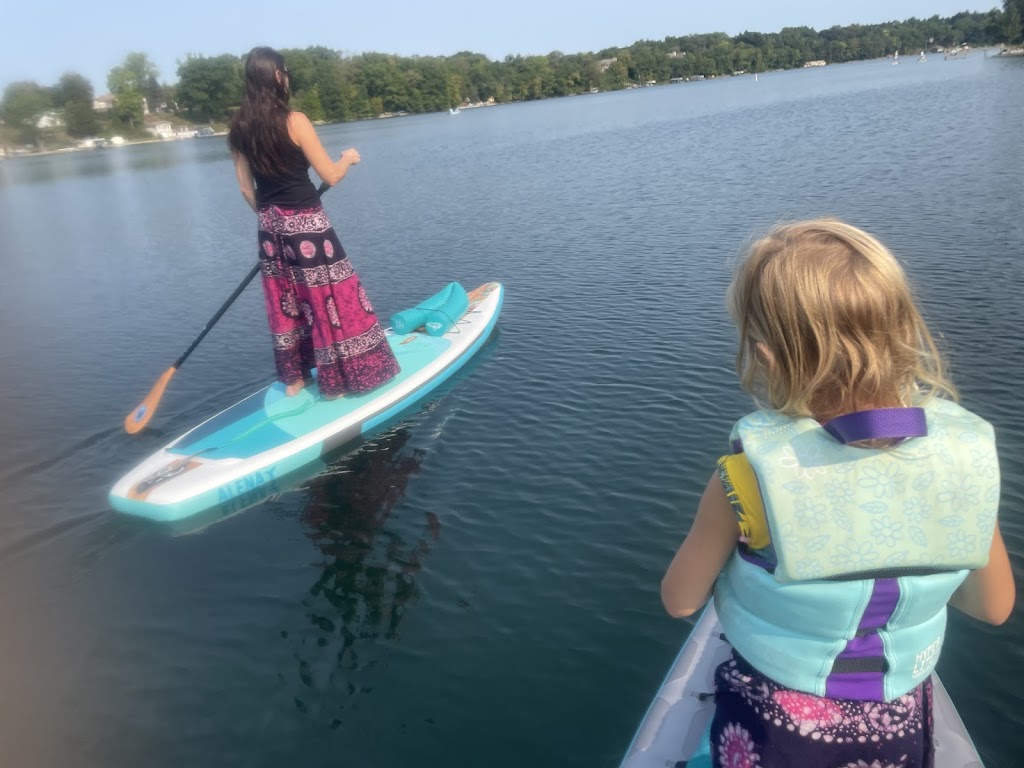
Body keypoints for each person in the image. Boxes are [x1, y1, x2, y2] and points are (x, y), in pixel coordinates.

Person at [660, 219, 1015, 767]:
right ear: (902, 332)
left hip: (775, 730)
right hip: (894, 730)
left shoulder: (748, 474)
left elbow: (679, 598)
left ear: (767, 355)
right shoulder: (962, 461)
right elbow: (993, 608)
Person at [228, 46, 399, 399]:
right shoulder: (295, 121)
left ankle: (294, 379)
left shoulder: (239, 127)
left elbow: (246, 188)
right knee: (331, 296)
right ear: (277, 76)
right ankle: (337, 381)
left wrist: (270, 220)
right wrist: (346, 159)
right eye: (285, 71)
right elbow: (330, 176)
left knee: (286, 299)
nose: (287, 77)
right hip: (307, 224)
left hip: (269, 227)